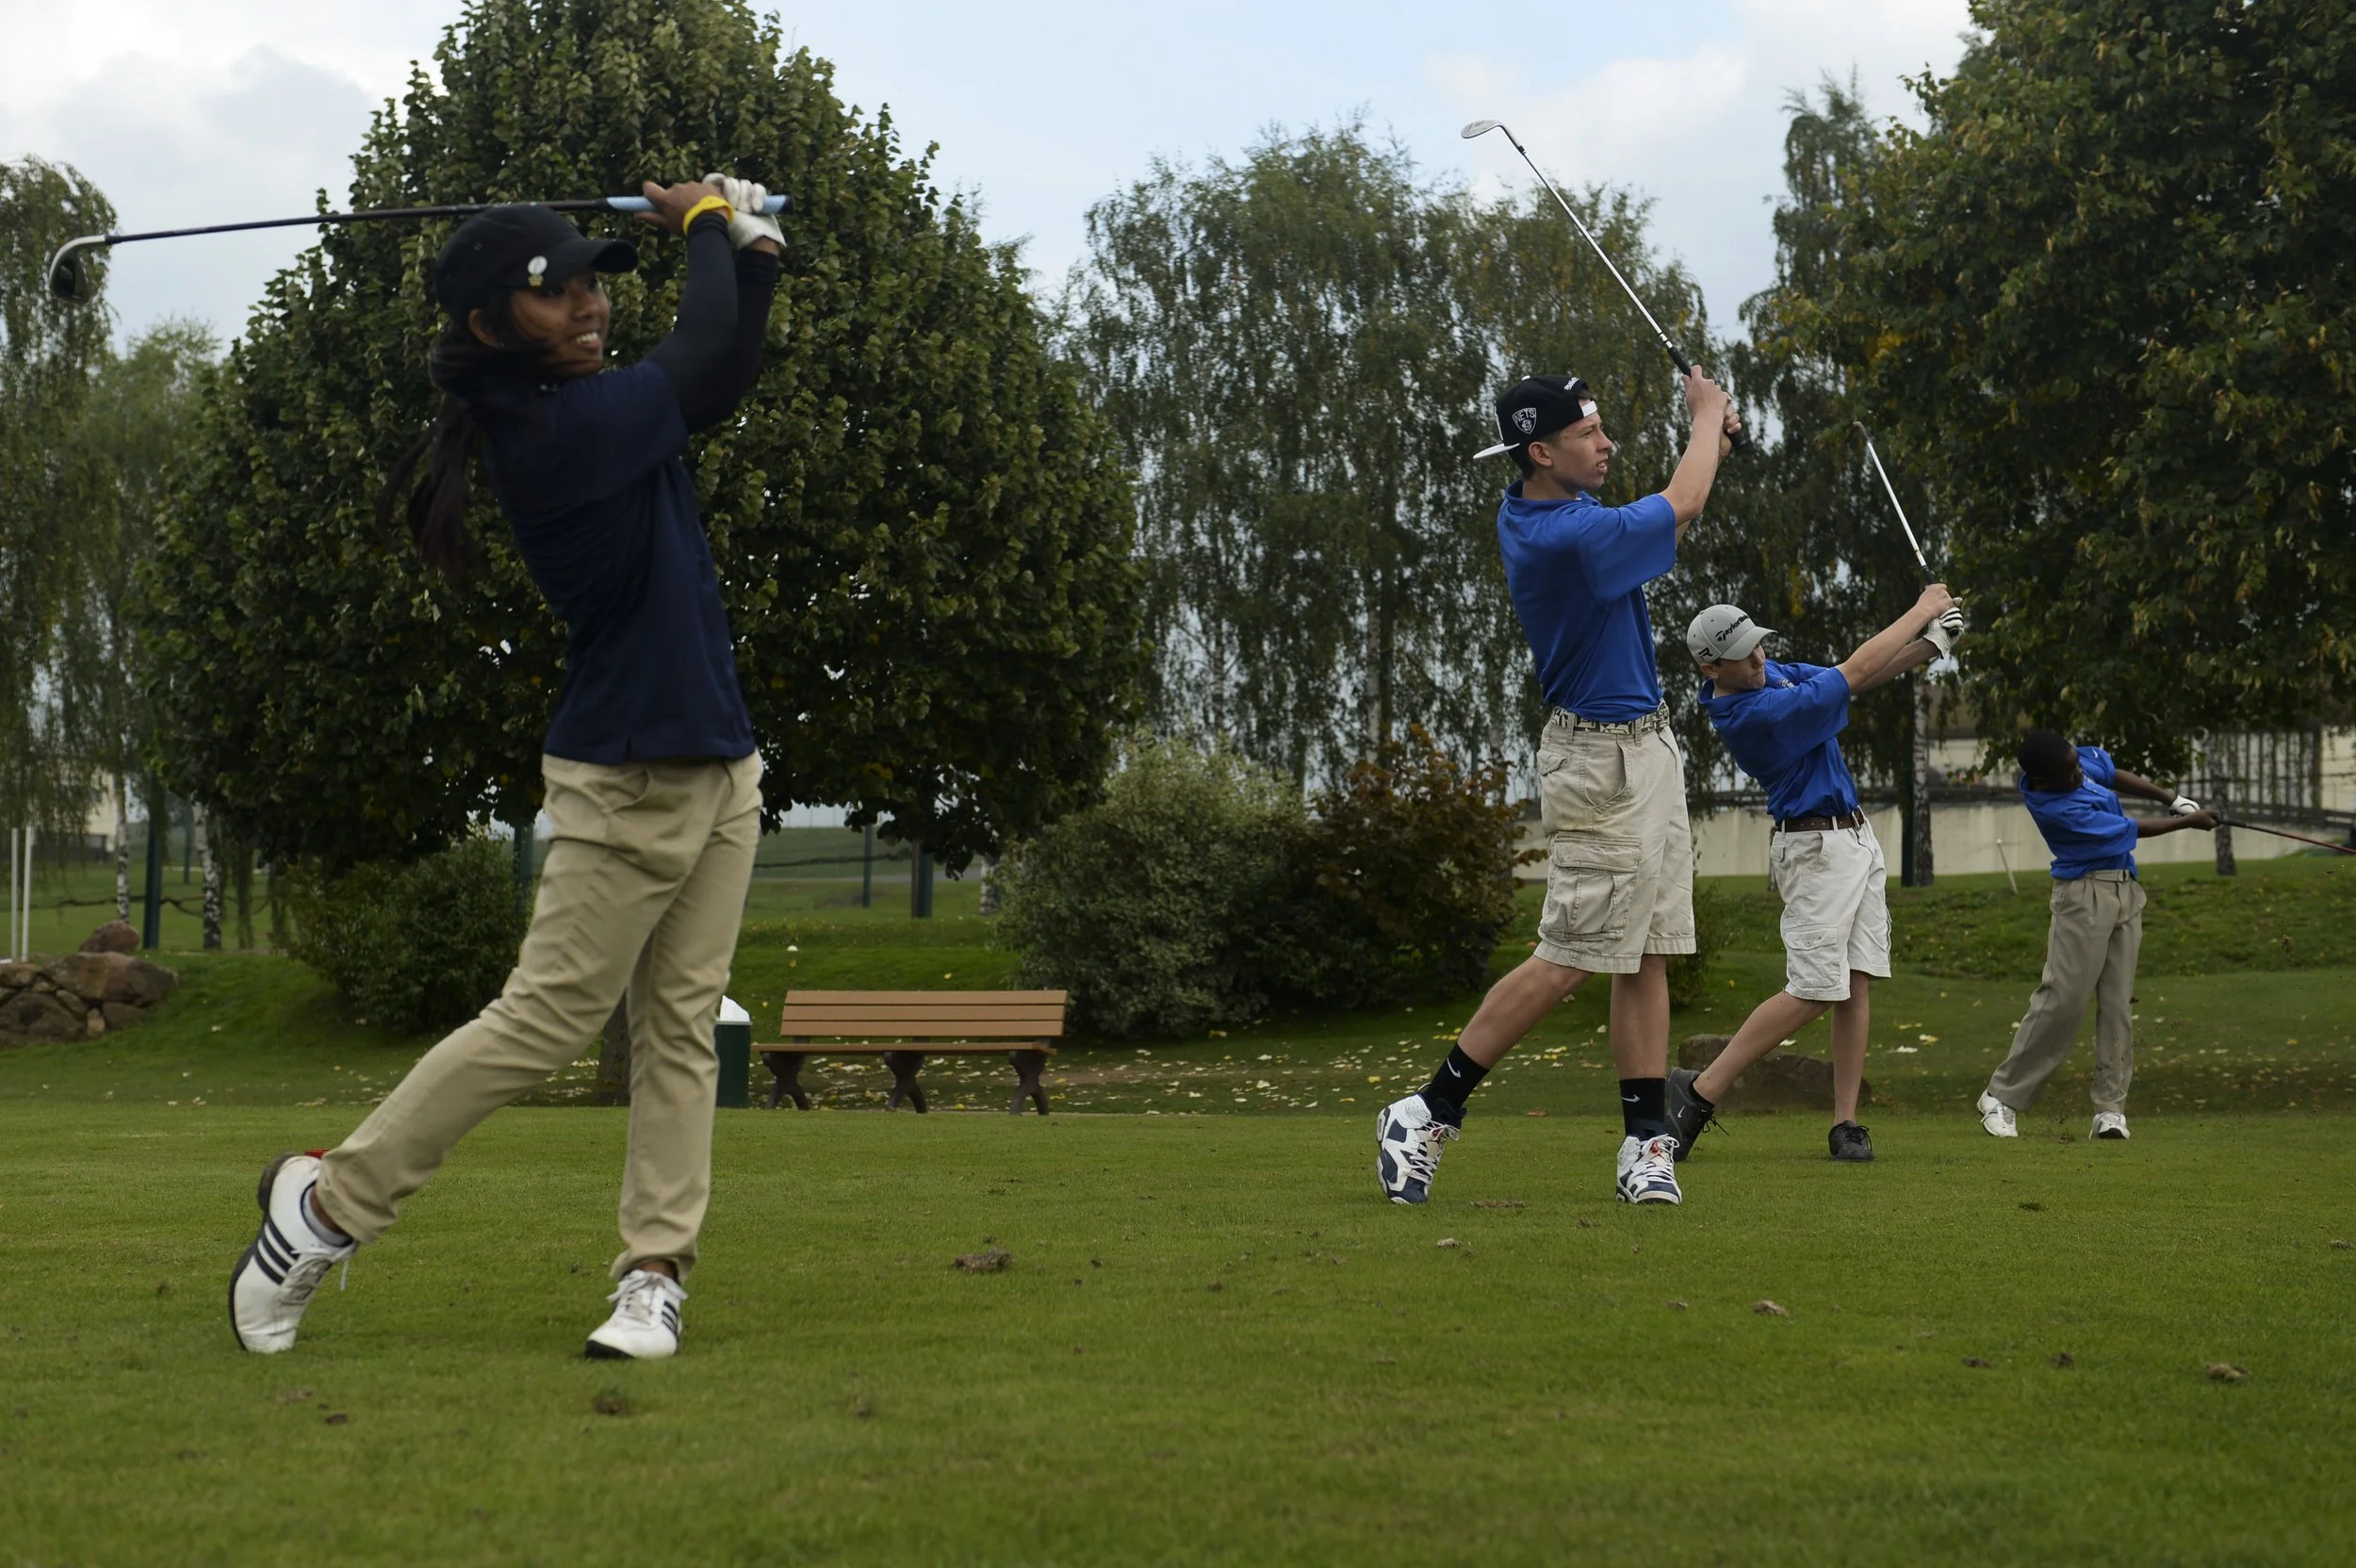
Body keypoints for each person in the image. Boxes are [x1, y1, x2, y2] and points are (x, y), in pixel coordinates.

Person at [229, 173, 786, 1360]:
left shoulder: (601, 404)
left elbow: (722, 370)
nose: (585, 305)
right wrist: (700, 224)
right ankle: (323, 1207)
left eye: (590, 281)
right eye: (554, 294)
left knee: (681, 1030)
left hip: (716, 763)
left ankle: (651, 1274)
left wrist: (756, 251)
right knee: (545, 1021)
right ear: (490, 325)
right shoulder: (557, 432)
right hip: (628, 774)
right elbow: (695, 357)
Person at [1376, 369, 1740, 1207]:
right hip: (1598, 762)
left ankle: (1647, 1143)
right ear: (1541, 452)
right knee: (1573, 954)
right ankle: (1427, 1110)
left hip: (1645, 750)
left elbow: (1677, 508)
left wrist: (1710, 442)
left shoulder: (1557, 514)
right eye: (1587, 435)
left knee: (1643, 949)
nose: (1606, 444)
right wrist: (1709, 414)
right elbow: (1680, 506)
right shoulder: (1564, 536)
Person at [1664, 590, 1961, 1165]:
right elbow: (1852, 671)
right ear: (1710, 668)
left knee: (1855, 980)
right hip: (1813, 850)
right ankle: (1700, 1091)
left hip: (1852, 837)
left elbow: (1860, 674)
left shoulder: (1766, 677)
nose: (1760, 661)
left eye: (1759, 648)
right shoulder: (1753, 716)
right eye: (1745, 657)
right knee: (1813, 991)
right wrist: (1922, 610)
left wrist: (1930, 646)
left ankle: (1845, 1122)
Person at [1975, 729, 2215, 1141]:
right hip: (2083, 896)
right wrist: (2189, 822)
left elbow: (2113, 772)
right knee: (2063, 999)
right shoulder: (2057, 808)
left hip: (2126, 890)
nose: (2080, 771)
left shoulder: (2071, 761)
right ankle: (2001, 1096)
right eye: (2071, 771)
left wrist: (2171, 798)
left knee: (2117, 1003)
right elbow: (2132, 828)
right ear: (2048, 780)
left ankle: (2110, 1111)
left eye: (2077, 763)